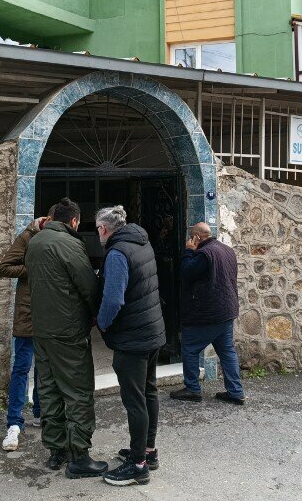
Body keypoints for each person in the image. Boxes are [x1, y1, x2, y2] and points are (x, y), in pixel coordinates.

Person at [24, 198, 106, 478]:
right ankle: (80, 457)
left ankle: (56, 451)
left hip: (42, 329)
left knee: (49, 391)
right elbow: (88, 284)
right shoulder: (70, 244)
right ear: (73, 221)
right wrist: (98, 316)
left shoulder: (35, 242)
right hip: (68, 331)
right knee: (78, 391)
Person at [94, 206, 166, 487]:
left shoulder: (116, 254)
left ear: (103, 228)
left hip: (133, 339)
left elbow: (113, 300)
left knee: (135, 400)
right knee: (149, 392)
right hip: (152, 331)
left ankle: (138, 466)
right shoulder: (141, 242)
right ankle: (148, 452)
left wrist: (102, 324)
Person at [170, 222, 245, 405]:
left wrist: (189, 251)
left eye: (191, 237)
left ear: (197, 237)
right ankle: (236, 392)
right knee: (227, 351)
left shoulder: (204, 254)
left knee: (190, 348)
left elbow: (186, 272)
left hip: (207, 313)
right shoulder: (228, 250)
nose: (189, 240)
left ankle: (192, 389)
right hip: (226, 311)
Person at [0, 214, 48, 451]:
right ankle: (14, 423)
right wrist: (32, 269)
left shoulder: (59, 237)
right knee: (22, 368)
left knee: (44, 367)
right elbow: (4, 268)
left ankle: (39, 412)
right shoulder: (27, 236)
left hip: (49, 314)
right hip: (27, 313)